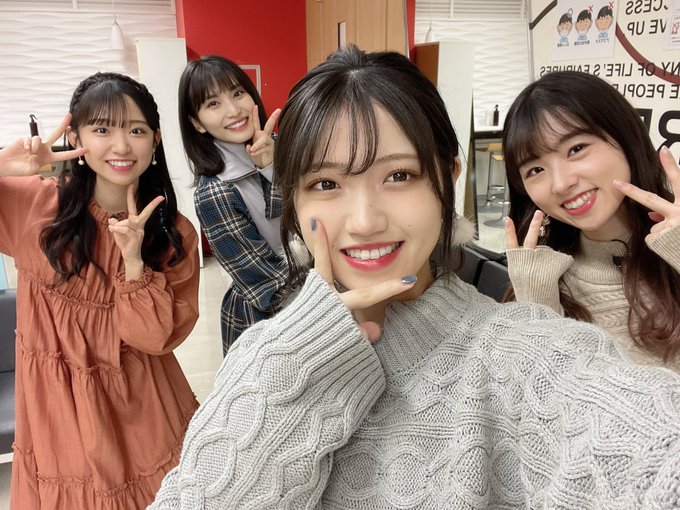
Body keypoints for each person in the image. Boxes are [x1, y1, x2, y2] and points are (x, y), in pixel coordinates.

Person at [149, 47, 680, 510]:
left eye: (399, 175)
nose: (364, 222)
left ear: (448, 177)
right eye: (326, 183)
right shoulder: (265, 356)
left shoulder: (519, 353)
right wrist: (308, 348)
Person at [1, 72, 200, 509]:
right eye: (102, 129)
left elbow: (154, 339)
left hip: (144, 412)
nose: (121, 146)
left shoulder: (173, 234)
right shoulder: (34, 206)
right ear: (75, 138)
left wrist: (134, 265)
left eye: (137, 130)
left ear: (156, 140)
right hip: (57, 415)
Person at [502, 70, 680, 371]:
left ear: (624, 137)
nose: (561, 183)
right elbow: (546, 393)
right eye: (535, 170)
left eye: (576, 149)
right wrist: (537, 305)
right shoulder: (541, 278)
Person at [178, 55, 290, 353]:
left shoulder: (285, 148)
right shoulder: (214, 194)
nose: (233, 110)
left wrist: (272, 167)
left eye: (238, 93)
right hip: (266, 322)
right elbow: (268, 285)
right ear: (197, 123)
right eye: (213, 103)